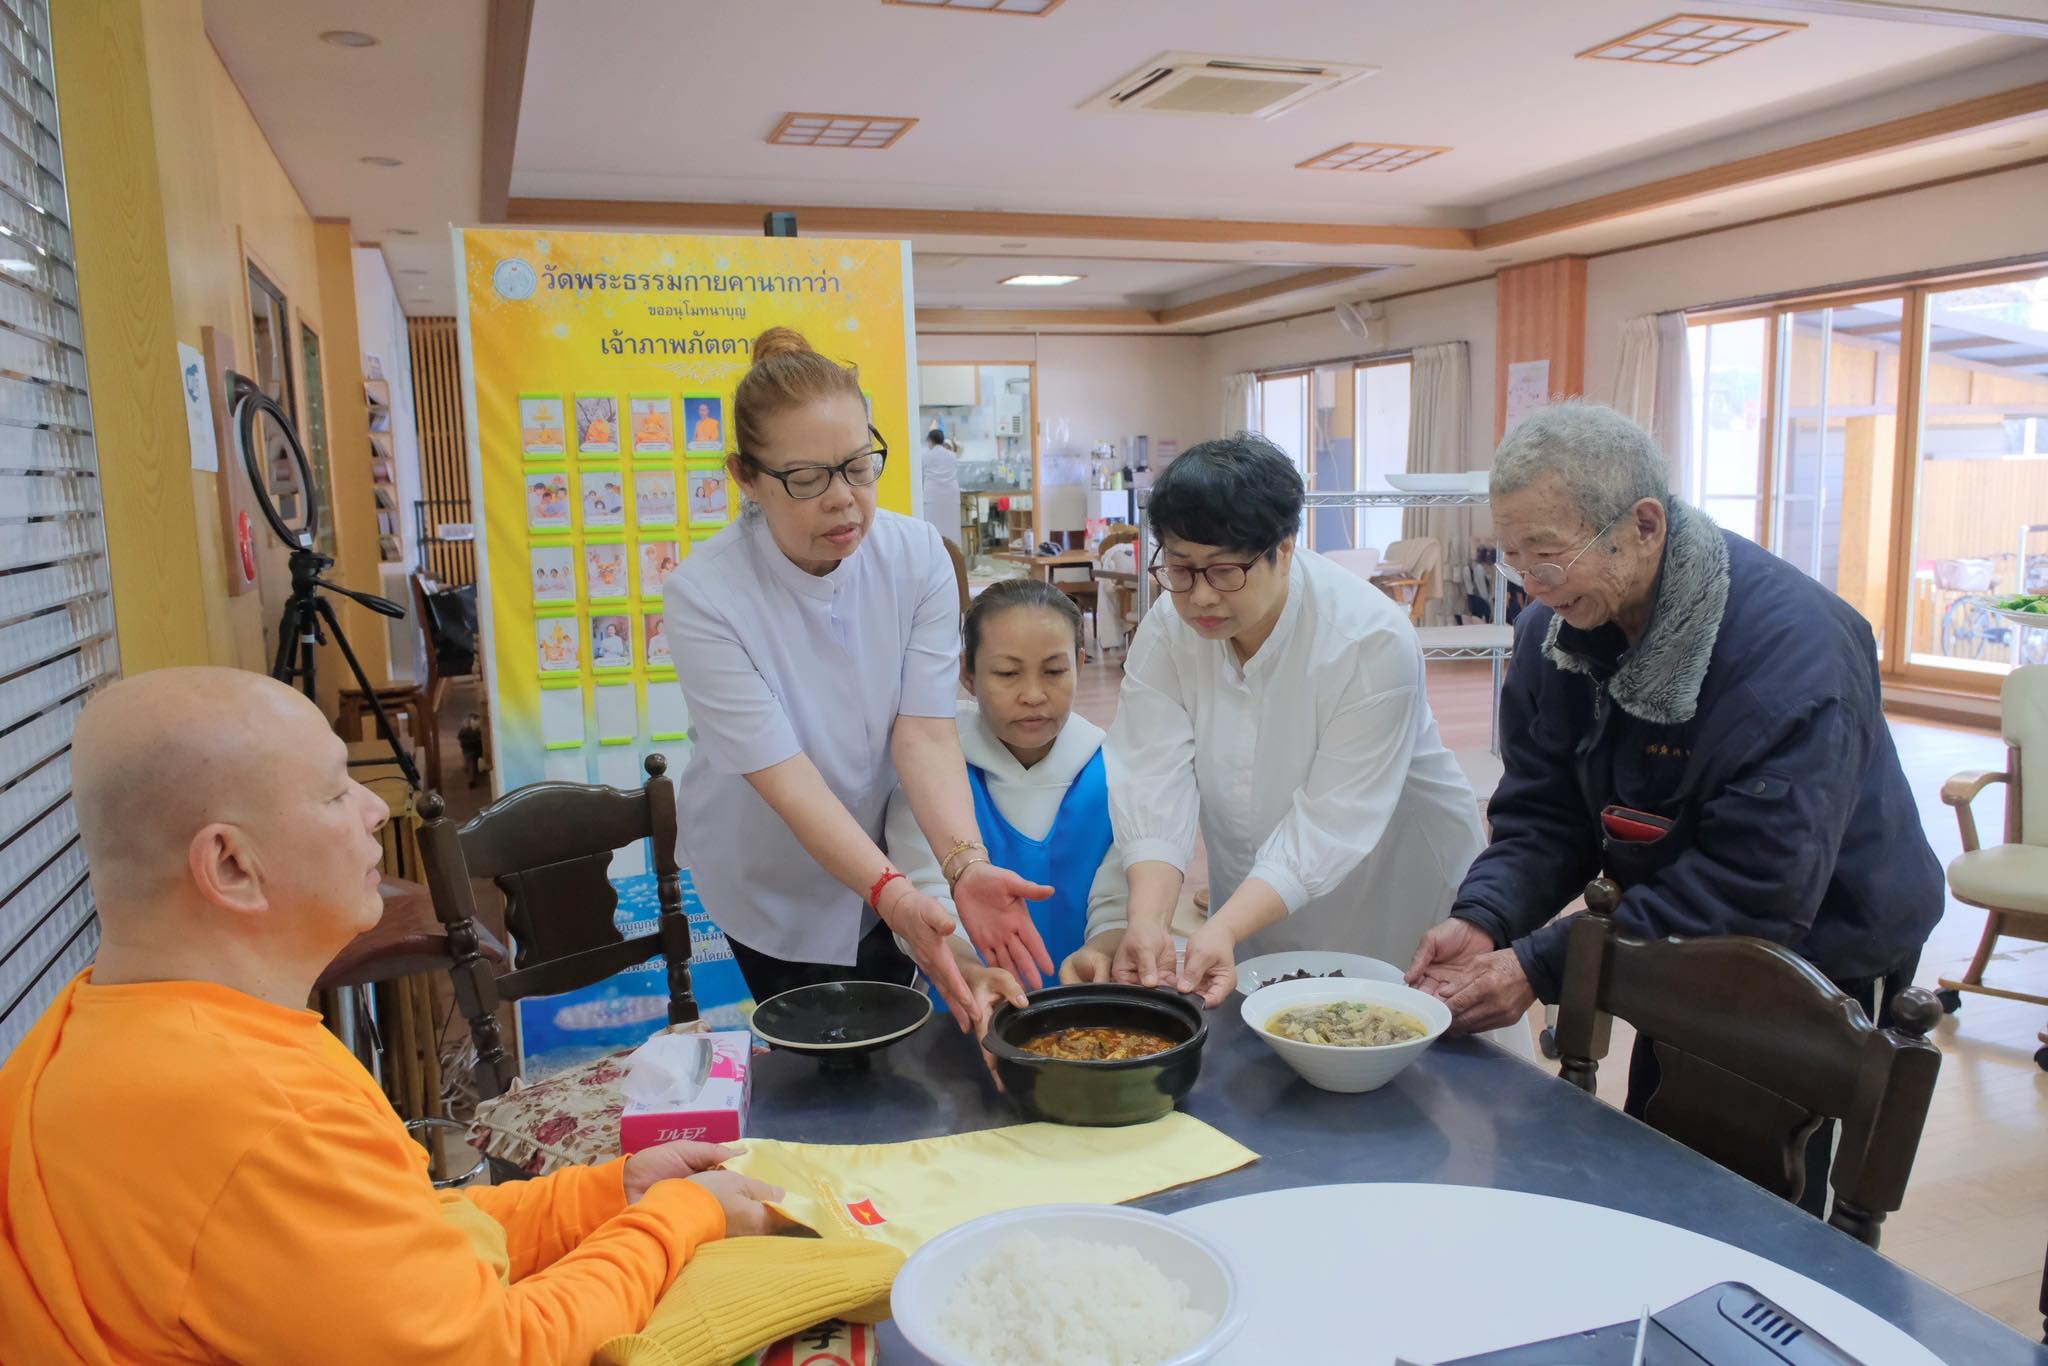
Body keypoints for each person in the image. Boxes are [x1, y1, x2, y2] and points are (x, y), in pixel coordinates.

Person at [0, 669, 788, 1363]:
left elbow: (405, 1236)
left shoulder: (89, 1030)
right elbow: (496, 1352)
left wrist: (613, 1193)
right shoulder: (251, 1115)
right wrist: (676, 1222)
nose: (377, 810)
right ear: (232, 865)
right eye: (336, 790)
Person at [1406, 402, 1942, 1213]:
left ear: (1646, 524)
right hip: (1675, 913)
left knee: (1758, 1181)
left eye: (1547, 558)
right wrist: (1488, 918)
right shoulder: (1561, 631)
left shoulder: (1793, 662)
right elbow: (1546, 814)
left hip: (1821, 931)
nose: (1530, 588)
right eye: (1512, 559)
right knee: (1662, 1130)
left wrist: (1540, 967)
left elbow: (1757, 892)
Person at [664, 327, 1053, 1028]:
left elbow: (924, 737)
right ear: (745, 478)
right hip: (768, 870)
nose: (843, 499)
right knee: (815, 1048)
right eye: (807, 478)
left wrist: (964, 867)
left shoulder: (916, 560)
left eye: (857, 465)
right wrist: (893, 892)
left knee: (895, 1034)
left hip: (883, 849)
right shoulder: (706, 594)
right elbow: (786, 779)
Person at [1096, 432, 1485, 1008]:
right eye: (1180, 568)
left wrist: (1224, 927)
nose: (1200, 596)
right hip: (1258, 892)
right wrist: (1149, 918)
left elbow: (1334, 820)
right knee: (1274, 1034)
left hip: (1390, 875)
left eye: (1224, 571)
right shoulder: (1168, 628)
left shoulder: (1368, 639)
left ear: (1284, 547)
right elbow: (1152, 775)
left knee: (1396, 1042)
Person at [885, 578, 1128, 1024]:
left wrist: (1100, 951)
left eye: (1054, 671)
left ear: (1079, 663)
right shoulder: (930, 776)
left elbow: (1116, 903)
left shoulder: (1114, 773)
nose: (1033, 694)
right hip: (961, 1013)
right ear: (967, 674)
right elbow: (926, 901)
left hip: (1088, 1014)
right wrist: (972, 973)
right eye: (1007, 673)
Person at [920, 427, 962, 548]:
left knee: (933, 528)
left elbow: (921, 477)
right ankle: (954, 556)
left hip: (932, 497)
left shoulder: (926, 456)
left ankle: (935, 553)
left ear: (930, 441)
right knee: (952, 528)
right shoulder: (952, 456)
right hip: (951, 497)